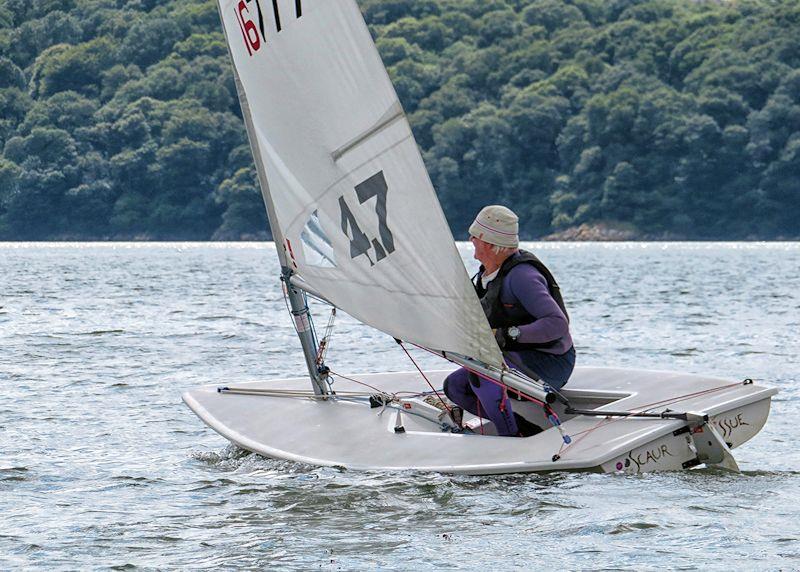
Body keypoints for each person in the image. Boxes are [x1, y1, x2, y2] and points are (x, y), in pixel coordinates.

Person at [443, 205, 576, 437]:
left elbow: (557, 323)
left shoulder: (522, 276)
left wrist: (507, 334)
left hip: (551, 364)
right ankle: (522, 428)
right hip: (513, 361)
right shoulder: (487, 275)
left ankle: (511, 437)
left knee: (483, 372)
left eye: (476, 235)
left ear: (490, 243)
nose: (471, 238)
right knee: (455, 387)